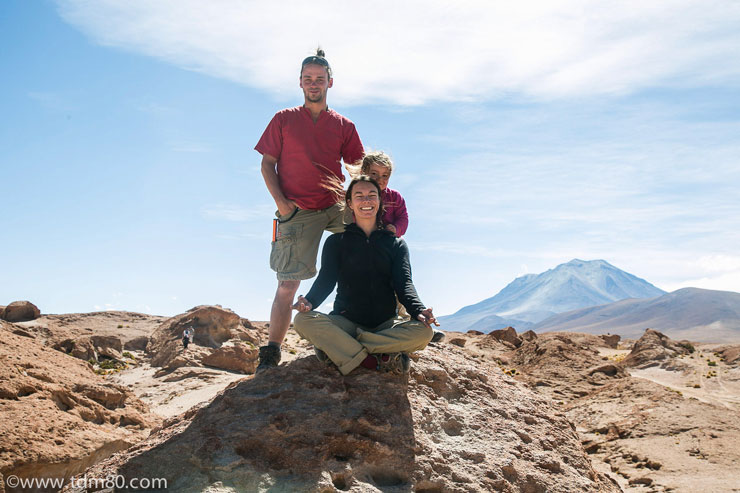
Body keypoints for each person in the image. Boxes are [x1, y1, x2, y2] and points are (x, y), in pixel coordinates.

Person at [254, 48, 364, 372]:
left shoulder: (343, 125)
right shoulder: (283, 120)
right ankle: (271, 353)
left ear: (330, 82)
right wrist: (282, 204)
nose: (313, 84)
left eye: (319, 79)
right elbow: (267, 164)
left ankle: (361, 333)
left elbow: (357, 169)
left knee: (369, 257)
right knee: (288, 284)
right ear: (300, 83)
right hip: (296, 211)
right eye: (308, 79)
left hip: (334, 207)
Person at [292, 176, 438, 375]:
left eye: (371, 195)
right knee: (302, 321)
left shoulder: (395, 244)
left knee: (424, 333)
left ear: (380, 201)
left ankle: (346, 349)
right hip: (346, 322)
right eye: (359, 196)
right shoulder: (336, 242)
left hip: (385, 324)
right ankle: (376, 355)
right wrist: (309, 301)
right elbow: (326, 281)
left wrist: (419, 310)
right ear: (350, 203)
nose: (366, 200)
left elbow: (404, 284)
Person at [353, 151, 446, 343]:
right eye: (374, 174)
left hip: (391, 253)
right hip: (363, 256)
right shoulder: (356, 197)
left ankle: (413, 325)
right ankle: (360, 329)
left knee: (400, 289)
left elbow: (404, 218)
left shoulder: (395, 198)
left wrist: (395, 229)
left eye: (385, 175)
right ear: (363, 172)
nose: (380, 180)